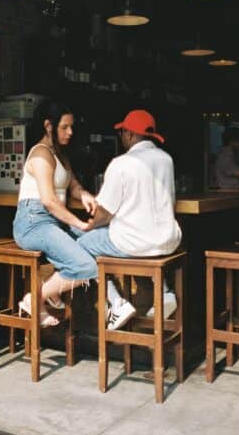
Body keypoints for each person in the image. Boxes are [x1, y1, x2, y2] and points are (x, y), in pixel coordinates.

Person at [77, 109, 182, 330]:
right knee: (139, 242)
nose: (121, 136)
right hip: (169, 240)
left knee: (80, 246)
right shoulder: (167, 159)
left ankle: (116, 302)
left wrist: (88, 226)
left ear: (130, 134)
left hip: (134, 242)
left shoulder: (121, 163)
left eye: (123, 132)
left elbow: (104, 212)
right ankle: (163, 291)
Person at [13, 99, 99, 327]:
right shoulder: (41, 155)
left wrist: (84, 195)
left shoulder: (61, 154)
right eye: (64, 127)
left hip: (54, 223)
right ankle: (35, 299)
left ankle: (52, 292)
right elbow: (49, 201)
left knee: (97, 244)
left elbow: (73, 186)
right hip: (34, 223)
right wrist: (79, 224)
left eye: (71, 127)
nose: (70, 132)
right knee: (86, 266)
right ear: (48, 125)